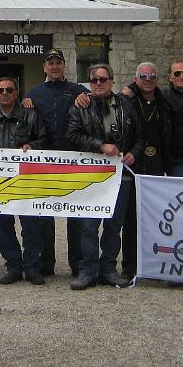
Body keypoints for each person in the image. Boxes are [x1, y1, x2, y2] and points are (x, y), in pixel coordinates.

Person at [66, 64, 142, 290]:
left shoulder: (126, 106)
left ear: (111, 80)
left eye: (103, 79)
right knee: (88, 226)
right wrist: (100, 145)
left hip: (120, 176)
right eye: (95, 80)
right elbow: (72, 136)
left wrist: (133, 154)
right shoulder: (80, 106)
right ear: (89, 83)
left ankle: (108, 269)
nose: (99, 83)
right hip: (91, 176)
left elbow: (140, 137)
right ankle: (88, 270)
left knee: (114, 225)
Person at [0, 77, 47, 286]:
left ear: (17, 93)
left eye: (9, 90)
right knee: (4, 226)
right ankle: (13, 266)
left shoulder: (31, 116)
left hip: (26, 181)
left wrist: (33, 145)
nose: (4, 93)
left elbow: (44, 139)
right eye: (0, 90)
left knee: (32, 226)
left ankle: (32, 267)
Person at [23, 49, 88, 277]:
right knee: (43, 215)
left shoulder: (78, 91)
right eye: (50, 63)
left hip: (72, 160)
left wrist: (87, 96)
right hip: (45, 161)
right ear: (44, 67)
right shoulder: (34, 93)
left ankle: (77, 264)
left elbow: (98, 101)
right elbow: (28, 123)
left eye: (58, 63)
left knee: (75, 215)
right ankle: (45, 263)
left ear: (64, 66)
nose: (54, 67)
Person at [121, 62, 170, 281]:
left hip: (157, 164)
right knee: (131, 219)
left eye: (152, 76)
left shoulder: (164, 100)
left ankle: (154, 265)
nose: (148, 79)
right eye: (143, 76)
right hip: (134, 164)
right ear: (136, 78)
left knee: (156, 219)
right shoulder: (126, 99)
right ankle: (129, 265)